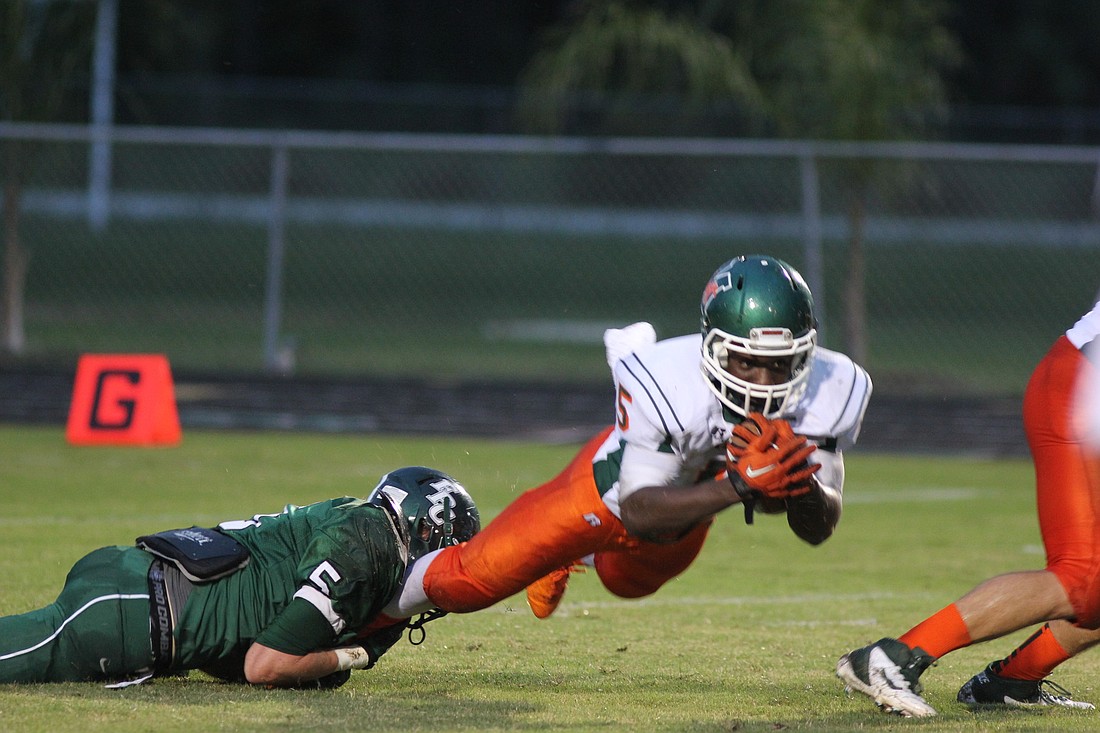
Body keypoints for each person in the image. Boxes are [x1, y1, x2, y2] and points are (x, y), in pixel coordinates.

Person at [385, 254, 871, 624]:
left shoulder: (829, 390)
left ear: (805, 356)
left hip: (684, 512)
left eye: (779, 364)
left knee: (626, 583)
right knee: (469, 582)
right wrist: (737, 487)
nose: (764, 382)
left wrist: (798, 484)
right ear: (714, 348)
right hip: (611, 487)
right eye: (747, 361)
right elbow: (636, 507)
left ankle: (582, 558)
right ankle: (365, 613)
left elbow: (817, 527)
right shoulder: (667, 382)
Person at [836, 297, 1100, 718]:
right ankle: (892, 659)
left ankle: (1012, 681)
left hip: (1080, 381)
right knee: (1082, 575)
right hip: (1081, 386)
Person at [0, 466, 480, 688]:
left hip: (145, 593)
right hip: (135, 604)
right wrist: (354, 654)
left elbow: (240, 656)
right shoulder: (368, 543)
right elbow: (264, 665)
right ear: (424, 531)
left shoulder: (358, 524)